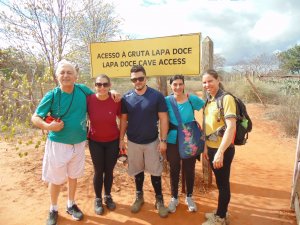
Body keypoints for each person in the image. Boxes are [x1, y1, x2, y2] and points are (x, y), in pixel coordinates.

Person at [31, 60, 119, 225]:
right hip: (58, 143)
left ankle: (71, 204)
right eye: (62, 72)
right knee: (55, 179)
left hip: (79, 143)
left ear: (75, 76)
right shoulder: (52, 95)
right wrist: (47, 126)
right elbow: (35, 117)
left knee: (73, 176)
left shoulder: (82, 90)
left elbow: (100, 93)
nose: (66, 76)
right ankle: (53, 208)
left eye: (69, 72)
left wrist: (112, 90)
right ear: (57, 76)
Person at [119, 65, 169, 218]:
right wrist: (121, 139)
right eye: (134, 79)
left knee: (155, 172)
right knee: (138, 170)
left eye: (140, 78)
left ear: (146, 78)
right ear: (131, 80)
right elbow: (123, 121)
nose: (138, 81)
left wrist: (163, 140)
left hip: (152, 141)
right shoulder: (126, 98)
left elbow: (163, 119)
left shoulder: (156, 96)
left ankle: (159, 200)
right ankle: (139, 197)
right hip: (133, 142)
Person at [165, 75, 205, 213]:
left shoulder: (191, 99)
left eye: (180, 84)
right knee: (174, 169)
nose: (178, 87)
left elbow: (208, 108)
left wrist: (204, 130)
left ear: (184, 85)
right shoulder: (166, 101)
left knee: (189, 169)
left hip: (189, 139)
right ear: (171, 86)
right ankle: (174, 198)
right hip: (172, 140)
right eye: (175, 84)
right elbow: (162, 120)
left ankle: (189, 197)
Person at [202, 69, 236, 225]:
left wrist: (220, 152)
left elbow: (231, 127)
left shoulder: (226, 98)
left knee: (223, 184)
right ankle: (221, 212)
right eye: (204, 82)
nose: (207, 85)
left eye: (210, 81)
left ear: (218, 80)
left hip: (223, 150)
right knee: (220, 183)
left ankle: (220, 218)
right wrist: (206, 148)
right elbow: (208, 126)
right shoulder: (210, 100)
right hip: (211, 148)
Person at [87, 74, 121, 215]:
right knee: (98, 170)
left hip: (113, 140)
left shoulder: (116, 100)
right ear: (95, 85)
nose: (102, 87)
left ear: (110, 85)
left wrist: (123, 139)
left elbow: (123, 118)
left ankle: (107, 196)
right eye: (99, 84)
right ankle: (98, 199)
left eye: (105, 84)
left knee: (109, 170)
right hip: (95, 141)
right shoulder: (89, 100)